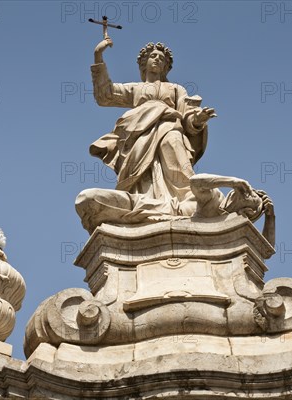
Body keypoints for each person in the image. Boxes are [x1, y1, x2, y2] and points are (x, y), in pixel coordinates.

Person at [76, 39, 275, 247]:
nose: (157, 60)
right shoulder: (136, 89)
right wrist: (98, 57)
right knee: (141, 177)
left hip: (171, 128)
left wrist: (198, 119)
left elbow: (187, 115)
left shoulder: (176, 89)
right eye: (153, 56)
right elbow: (105, 95)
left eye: (162, 59)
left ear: (166, 66)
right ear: (143, 63)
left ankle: (185, 202)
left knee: (179, 168)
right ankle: (150, 202)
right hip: (139, 136)